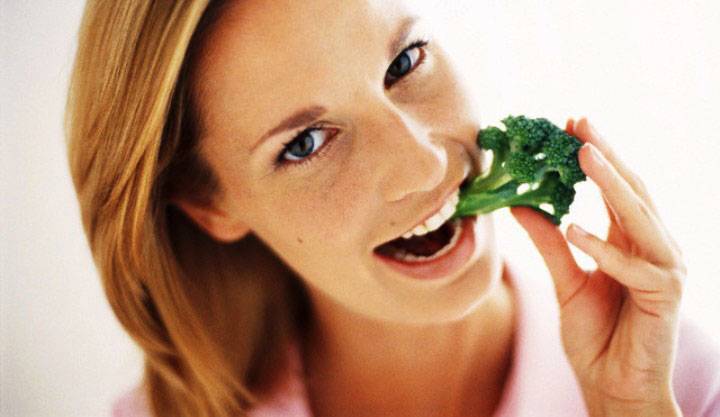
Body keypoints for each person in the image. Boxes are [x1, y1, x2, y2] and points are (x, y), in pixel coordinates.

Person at [65, 1, 720, 416]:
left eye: (405, 62)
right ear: (212, 207)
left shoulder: (682, 385)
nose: (426, 164)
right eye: (305, 143)